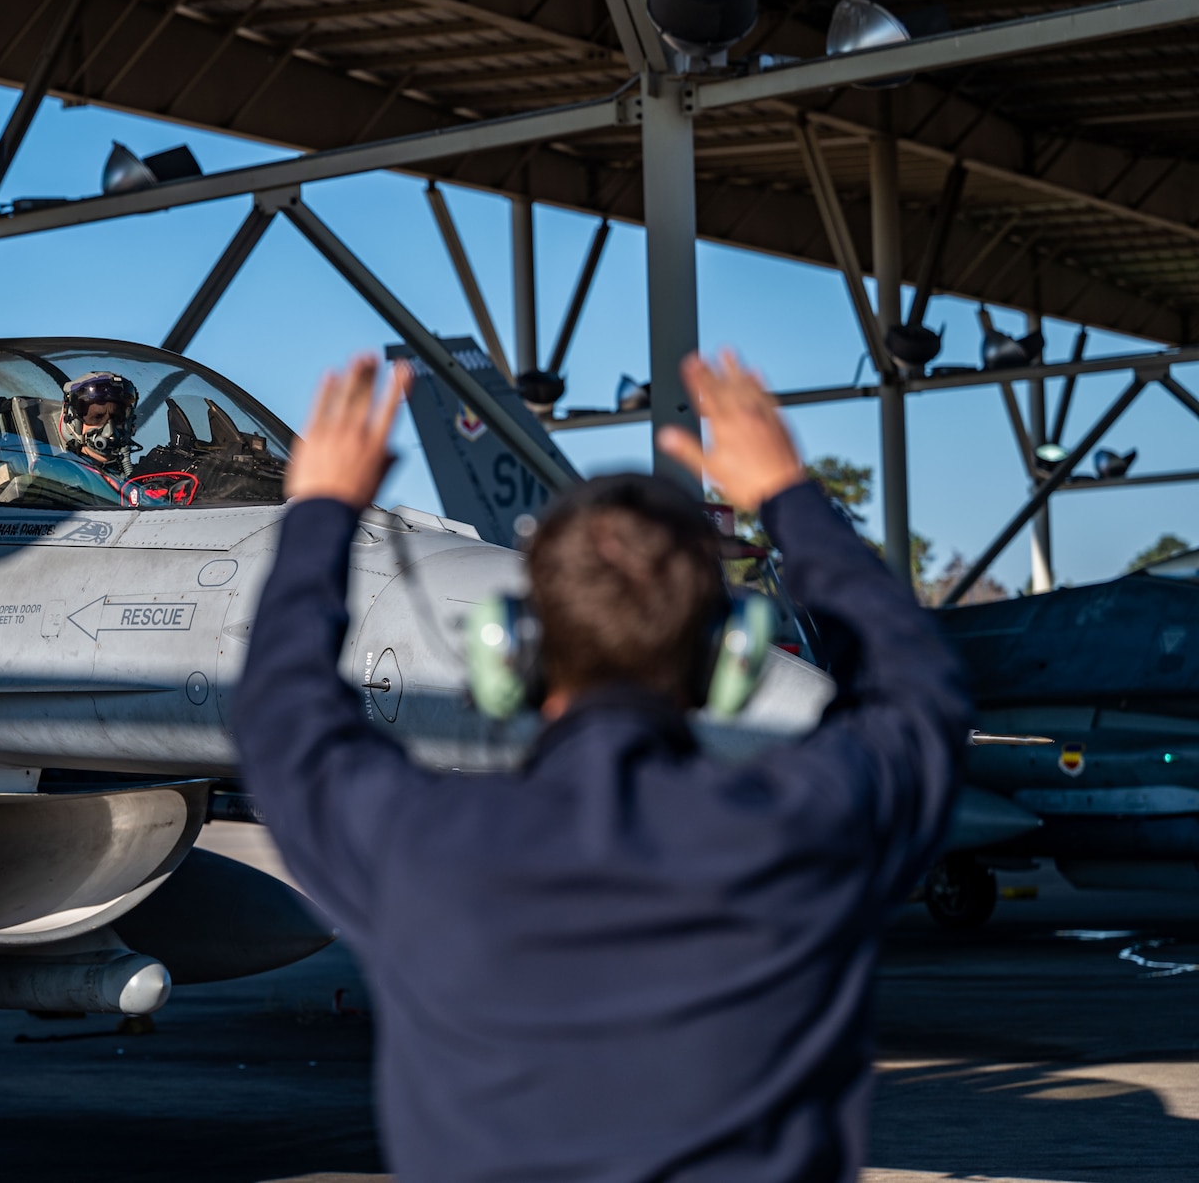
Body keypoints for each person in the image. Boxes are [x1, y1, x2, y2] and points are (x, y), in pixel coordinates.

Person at [232, 349, 969, 1183]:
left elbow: (280, 714)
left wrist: (321, 512)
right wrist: (789, 497)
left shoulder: (425, 845)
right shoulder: (801, 831)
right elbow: (923, 694)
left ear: (511, 651)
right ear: (729, 656)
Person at [59, 371, 139, 477]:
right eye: (96, 417)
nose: (110, 430)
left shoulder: (139, 478)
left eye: (117, 418)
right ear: (72, 421)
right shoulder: (57, 473)